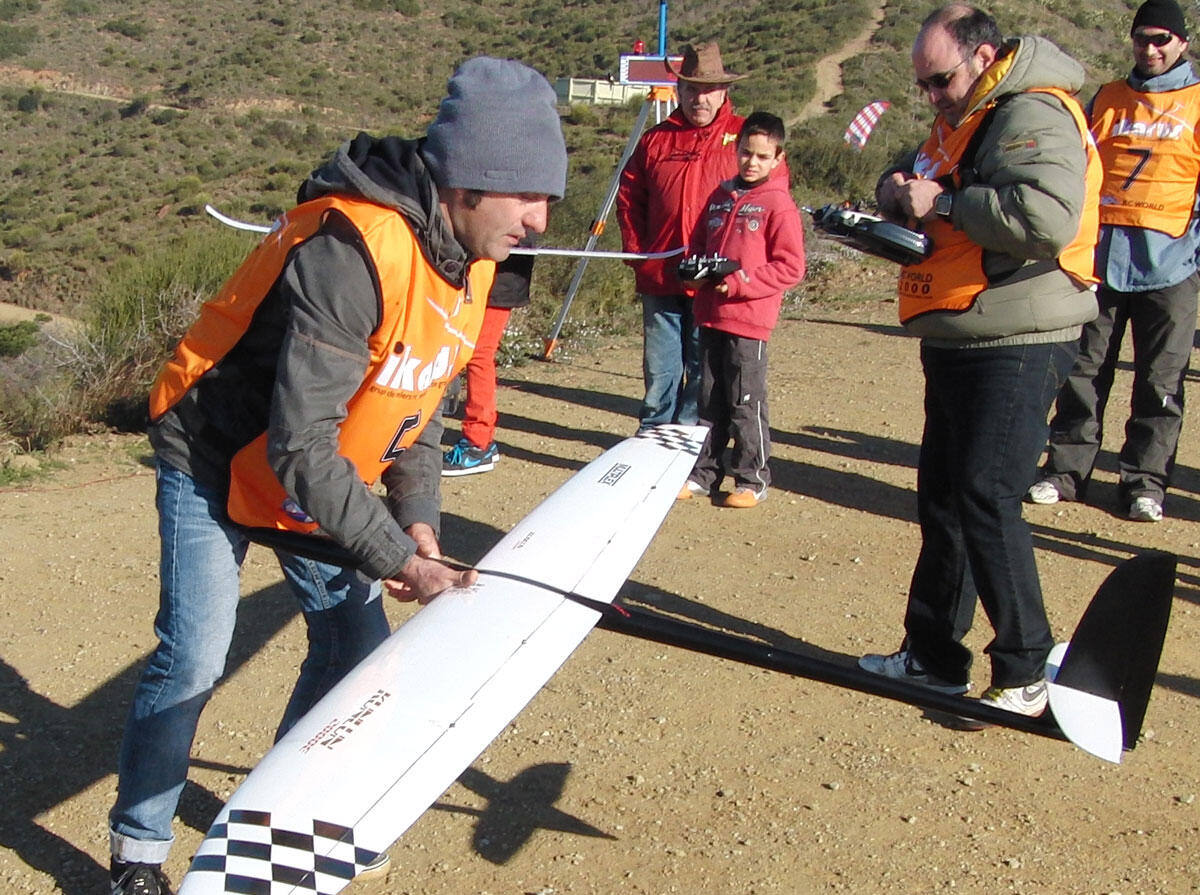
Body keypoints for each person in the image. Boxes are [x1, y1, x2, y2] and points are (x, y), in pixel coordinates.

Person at [107, 57, 567, 895]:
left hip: (314, 469)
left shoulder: (475, 257)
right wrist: (400, 558)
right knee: (195, 658)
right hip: (216, 450)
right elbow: (300, 445)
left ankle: (278, 811)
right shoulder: (352, 248)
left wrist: (418, 517)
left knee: (355, 646)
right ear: (469, 183)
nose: (541, 220)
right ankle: (138, 851)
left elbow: (421, 396)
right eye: (528, 196)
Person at [856, 5, 1101, 719]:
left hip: (1020, 333)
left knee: (987, 494)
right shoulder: (966, 115)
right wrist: (896, 191)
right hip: (963, 327)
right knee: (945, 497)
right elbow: (918, 174)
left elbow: (1045, 220)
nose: (931, 95)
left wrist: (946, 204)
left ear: (984, 57)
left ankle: (1025, 668)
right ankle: (933, 657)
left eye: (940, 80)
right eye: (923, 84)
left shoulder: (1030, 112)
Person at [1028, 0, 1200, 523]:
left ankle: (1145, 482)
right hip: (1101, 260)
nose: (1150, 49)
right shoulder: (1107, 97)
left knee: (1160, 381)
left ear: (1182, 42)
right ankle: (1065, 471)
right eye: (1141, 38)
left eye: (1161, 39)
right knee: (1082, 370)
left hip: (1171, 264)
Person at [616, 41, 748, 429]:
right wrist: (638, 253)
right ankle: (653, 434)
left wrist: (738, 265)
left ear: (723, 92)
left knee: (703, 365)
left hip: (713, 278)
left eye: (708, 90)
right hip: (661, 273)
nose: (699, 99)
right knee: (660, 368)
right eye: (691, 89)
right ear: (679, 90)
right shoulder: (655, 140)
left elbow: (767, 201)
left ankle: (691, 441)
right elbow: (629, 197)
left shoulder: (744, 139)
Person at [677, 112, 806, 508]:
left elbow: (791, 266)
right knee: (708, 399)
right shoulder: (719, 196)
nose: (752, 162)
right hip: (711, 314)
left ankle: (752, 478)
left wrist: (739, 283)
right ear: (736, 150)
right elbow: (699, 245)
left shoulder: (778, 204)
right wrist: (694, 274)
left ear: (778, 158)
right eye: (747, 153)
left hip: (750, 322)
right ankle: (704, 473)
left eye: (763, 156)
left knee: (745, 401)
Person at [442, 243, 535, 476]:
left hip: (501, 279)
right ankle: (479, 440)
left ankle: (477, 444)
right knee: (459, 345)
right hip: (477, 271)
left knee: (479, 353)